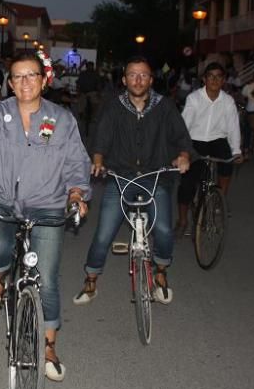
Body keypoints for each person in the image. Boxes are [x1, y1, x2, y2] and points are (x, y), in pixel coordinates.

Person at [0, 51, 90, 382]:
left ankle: (48, 347)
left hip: (48, 204)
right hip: (2, 201)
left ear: (44, 79)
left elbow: (77, 162)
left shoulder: (60, 118)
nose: (25, 82)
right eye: (17, 76)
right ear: (10, 82)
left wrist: (76, 193)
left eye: (31, 75)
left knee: (46, 277)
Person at [74, 55, 192, 307]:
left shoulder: (165, 105)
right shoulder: (113, 105)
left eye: (143, 75)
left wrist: (183, 156)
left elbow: (181, 135)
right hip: (120, 176)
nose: (138, 79)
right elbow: (101, 135)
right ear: (124, 78)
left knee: (162, 230)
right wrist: (97, 159)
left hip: (155, 175)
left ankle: (160, 272)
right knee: (104, 233)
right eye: (132, 75)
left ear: (151, 79)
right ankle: (91, 279)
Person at [176, 63, 243, 235]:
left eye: (218, 76)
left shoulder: (227, 101)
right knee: (187, 184)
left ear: (223, 80)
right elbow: (185, 124)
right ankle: (183, 220)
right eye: (210, 76)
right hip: (195, 141)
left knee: (228, 161)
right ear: (204, 79)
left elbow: (233, 127)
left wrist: (237, 150)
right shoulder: (194, 98)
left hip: (217, 140)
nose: (214, 80)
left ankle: (220, 199)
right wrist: (182, 150)